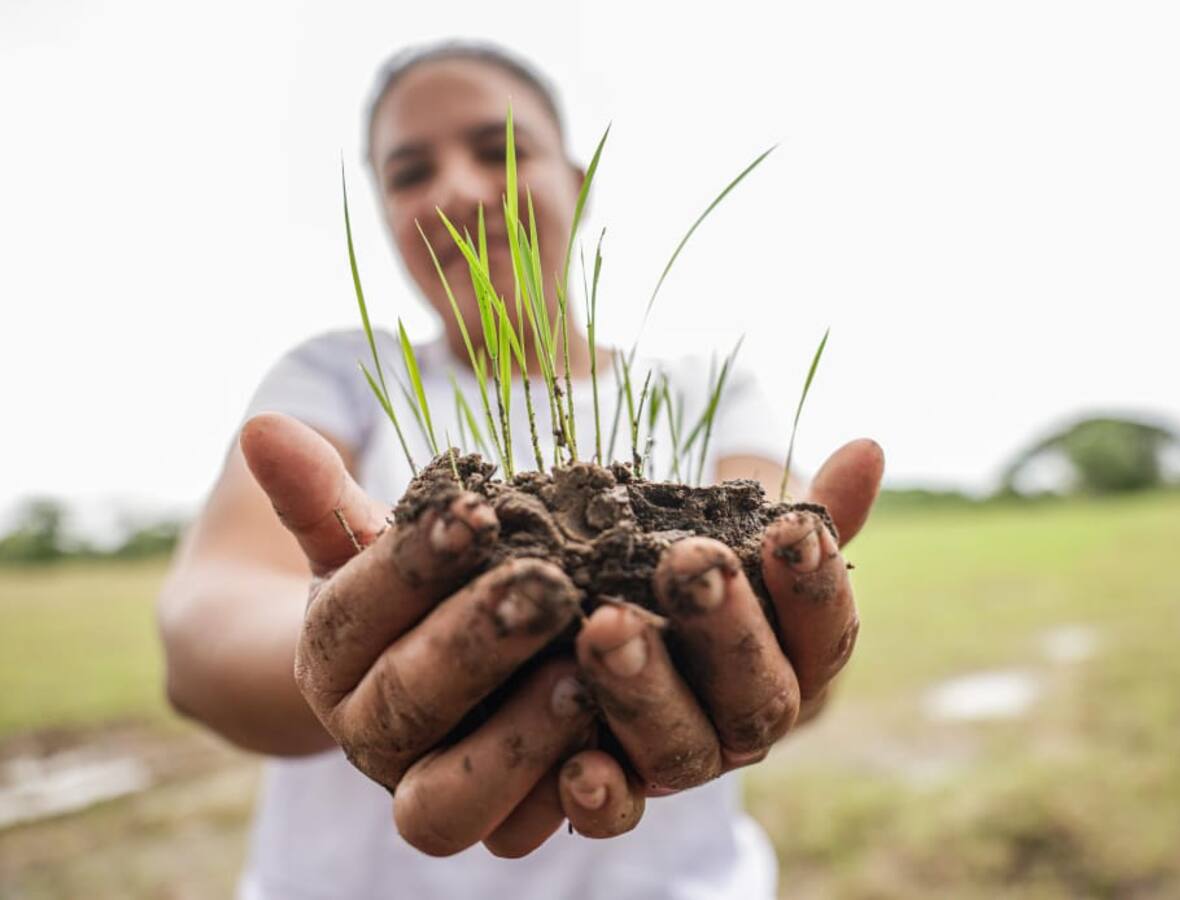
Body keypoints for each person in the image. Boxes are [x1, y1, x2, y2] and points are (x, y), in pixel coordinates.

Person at [157, 41, 885, 900]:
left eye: (500, 150)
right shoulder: (344, 379)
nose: (459, 190)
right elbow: (205, 626)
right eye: (409, 172)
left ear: (575, 181)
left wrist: (785, 629)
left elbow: (785, 634)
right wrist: (349, 641)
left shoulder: (702, 391)